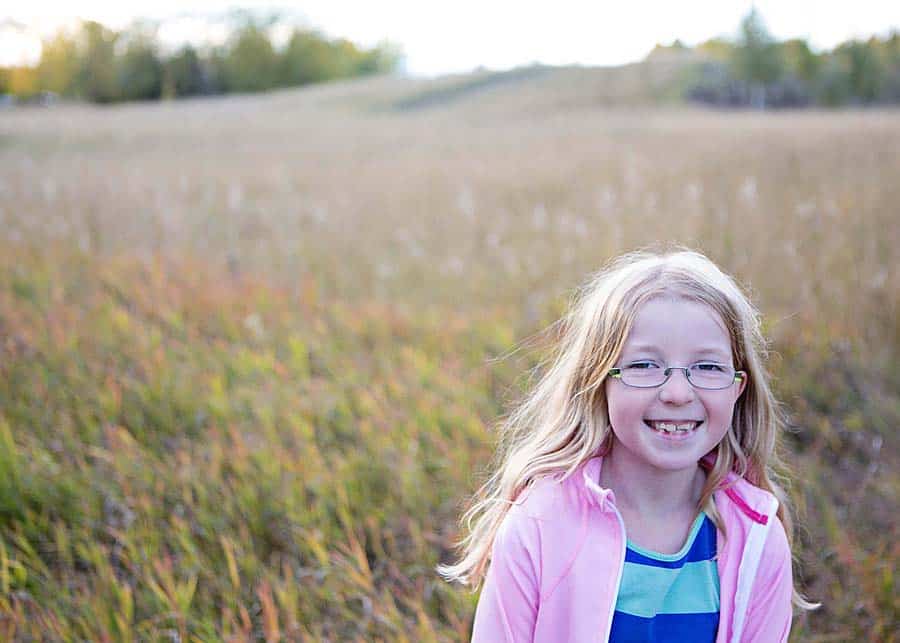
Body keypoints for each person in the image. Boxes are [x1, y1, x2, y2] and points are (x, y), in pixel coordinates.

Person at [438, 248, 817, 642]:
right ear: (599, 381)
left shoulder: (756, 541)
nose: (676, 392)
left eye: (707, 367)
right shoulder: (539, 526)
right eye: (643, 365)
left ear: (737, 388)